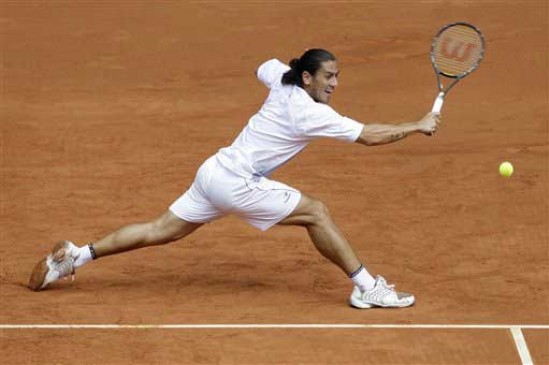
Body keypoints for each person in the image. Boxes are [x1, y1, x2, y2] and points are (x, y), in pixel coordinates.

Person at [29, 49, 440, 309]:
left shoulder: (282, 80)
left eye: (337, 76)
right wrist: (418, 125)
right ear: (308, 78)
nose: (335, 83)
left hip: (213, 172)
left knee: (162, 229)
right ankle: (366, 286)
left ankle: (74, 257)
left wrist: (284, 75)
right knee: (316, 212)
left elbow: (265, 66)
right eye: (328, 76)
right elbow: (369, 136)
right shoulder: (311, 113)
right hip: (238, 182)